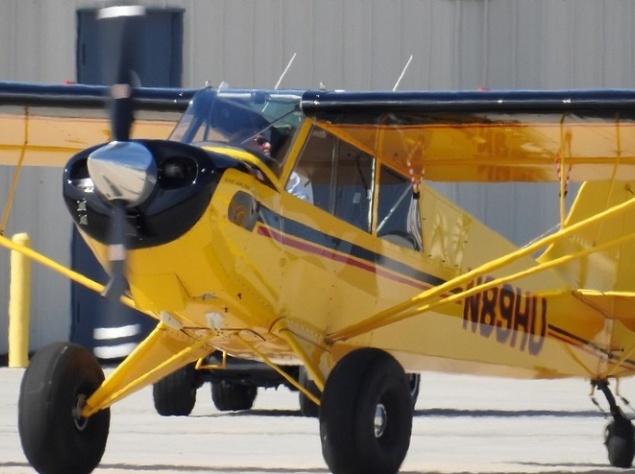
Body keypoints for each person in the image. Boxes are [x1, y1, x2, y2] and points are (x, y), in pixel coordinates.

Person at [244, 133, 312, 202]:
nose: (267, 145)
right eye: (260, 142)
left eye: (267, 141)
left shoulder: (287, 175)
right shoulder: (238, 168)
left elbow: (300, 202)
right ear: (245, 143)